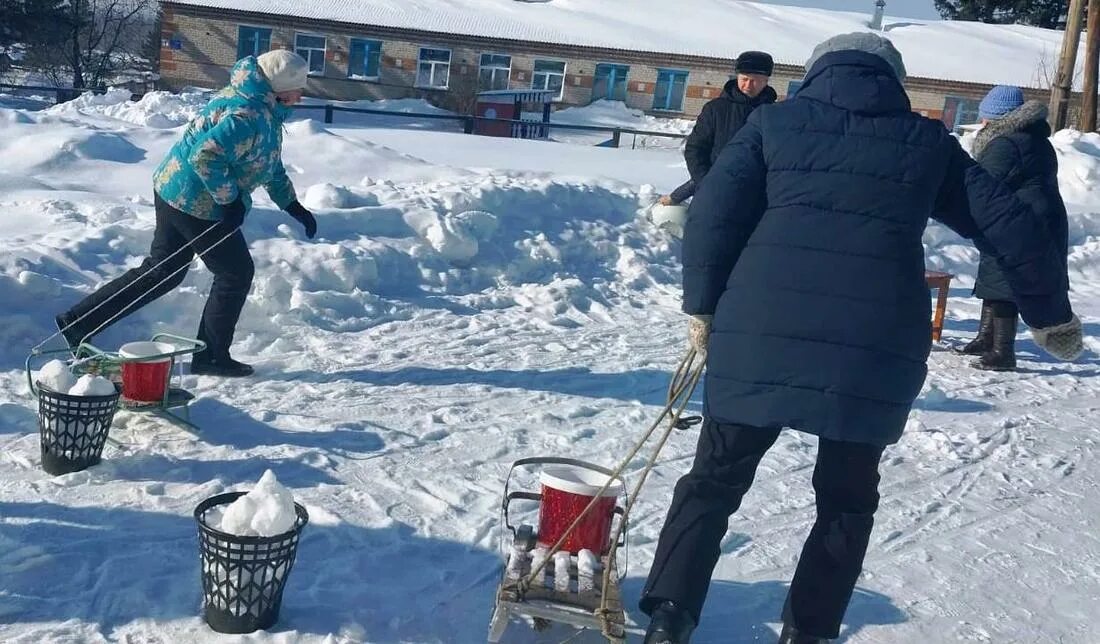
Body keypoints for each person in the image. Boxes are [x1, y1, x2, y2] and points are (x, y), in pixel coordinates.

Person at [640, 33, 1082, 644]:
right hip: (875, 340)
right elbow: (1009, 223)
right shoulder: (926, 141)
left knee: (714, 478)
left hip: (762, 328)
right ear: (891, 79)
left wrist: (703, 309)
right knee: (846, 498)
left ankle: (670, 614)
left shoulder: (774, 125)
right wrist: (1048, 314)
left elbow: (713, 216)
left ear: (818, 72)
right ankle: (809, 631)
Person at [54, 50, 319, 377]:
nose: (301, 95)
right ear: (279, 87)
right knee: (235, 273)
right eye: (297, 88)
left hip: (173, 188)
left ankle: (78, 323)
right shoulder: (249, 115)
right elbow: (205, 157)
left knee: (163, 271)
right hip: (197, 201)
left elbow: (267, 164)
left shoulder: (260, 106)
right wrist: (228, 201)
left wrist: (292, 204)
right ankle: (210, 356)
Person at [954, 86, 1069, 371]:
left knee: (1006, 281)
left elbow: (984, 183)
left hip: (1018, 220)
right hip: (1029, 217)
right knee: (995, 274)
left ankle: (1003, 351)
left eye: (985, 117)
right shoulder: (1034, 139)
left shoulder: (1007, 144)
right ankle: (986, 337)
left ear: (998, 118)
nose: (981, 123)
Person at [656, 51, 778, 206]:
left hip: (755, 197)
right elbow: (695, 148)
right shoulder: (716, 109)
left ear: (766, 81)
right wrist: (707, 183)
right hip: (713, 194)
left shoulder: (774, 114)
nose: (748, 85)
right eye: (744, 79)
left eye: (754, 81)